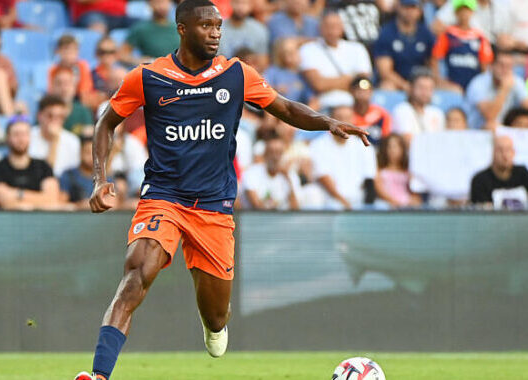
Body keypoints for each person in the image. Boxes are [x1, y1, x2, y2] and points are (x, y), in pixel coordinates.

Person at [75, 2, 369, 379]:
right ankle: (98, 375)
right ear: (182, 29)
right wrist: (100, 178)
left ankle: (213, 325)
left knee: (215, 314)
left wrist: (327, 122)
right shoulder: (148, 77)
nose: (215, 33)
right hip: (163, 197)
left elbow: (284, 108)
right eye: (206, 26)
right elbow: (106, 123)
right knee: (137, 272)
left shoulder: (235, 74)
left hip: (214, 208)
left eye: (218, 25)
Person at [309, 101, 377, 210]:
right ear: (331, 120)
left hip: (358, 200)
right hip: (329, 201)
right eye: (339, 118)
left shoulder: (365, 146)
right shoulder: (318, 145)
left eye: (347, 118)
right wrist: (345, 203)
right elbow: (323, 178)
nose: (344, 122)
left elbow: (369, 179)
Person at [299, 11, 372, 108]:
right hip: (323, 106)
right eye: (328, 26)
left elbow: (362, 82)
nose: (332, 30)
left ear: (343, 28)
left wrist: (329, 83)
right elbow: (318, 84)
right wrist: (348, 79)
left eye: (336, 26)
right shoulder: (308, 49)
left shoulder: (357, 48)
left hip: (354, 106)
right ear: (320, 28)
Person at [0, 118, 62, 210]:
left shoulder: (43, 166)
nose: (21, 139)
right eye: (16, 134)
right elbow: (4, 201)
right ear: (7, 137)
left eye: (24, 134)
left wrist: (18, 195)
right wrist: (39, 199)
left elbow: (52, 200)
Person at [431, 0, 493, 92]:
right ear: (456, 13)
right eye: (461, 10)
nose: (464, 14)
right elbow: (435, 59)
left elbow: (485, 65)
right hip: (453, 84)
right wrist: (440, 81)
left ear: (472, 12)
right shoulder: (448, 34)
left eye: (467, 10)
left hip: (473, 85)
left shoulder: (480, 37)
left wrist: (482, 87)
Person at [373, 0, 435, 92]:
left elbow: (433, 64)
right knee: (387, 87)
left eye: (413, 7)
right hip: (396, 81)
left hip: (420, 80)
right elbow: (385, 71)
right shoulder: (386, 33)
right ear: (398, 7)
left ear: (420, 10)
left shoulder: (426, 33)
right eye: (406, 7)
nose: (409, 12)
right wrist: (406, 86)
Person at [466, 50, 528, 130]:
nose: (505, 70)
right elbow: (490, 116)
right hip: (477, 131)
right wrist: (504, 89)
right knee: (491, 125)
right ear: (491, 66)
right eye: (501, 65)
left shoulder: (516, 81)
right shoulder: (478, 83)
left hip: (504, 130)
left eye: (509, 66)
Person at [241, 135, 299, 210]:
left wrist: (288, 180)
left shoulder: (290, 175)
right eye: (271, 152)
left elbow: (296, 208)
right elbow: (256, 205)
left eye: (279, 153)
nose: (275, 157)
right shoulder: (252, 173)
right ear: (264, 154)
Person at [470, 135, 528, 209]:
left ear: (513, 152)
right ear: (492, 152)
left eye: (508, 150)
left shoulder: (523, 174)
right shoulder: (480, 180)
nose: (504, 155)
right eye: (500, 150)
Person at [29, 95, 80, 177]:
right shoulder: (29, 136)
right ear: (39, 116)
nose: (55, 120)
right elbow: (42, 175)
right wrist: (54, 141)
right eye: (50, 116)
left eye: (60, 117)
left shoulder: (73, 141)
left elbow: (73, 175)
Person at [121, 0, 179, 65]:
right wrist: (138, 61)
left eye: (166, 2)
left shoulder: (179, 27)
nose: (162, 6)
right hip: (154, 70)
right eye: (158, 2)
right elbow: (122, 55)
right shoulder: (141, 28)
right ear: (149, 4)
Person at [392, 71, 445, 140]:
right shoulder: (402, 110)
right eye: (421, 87)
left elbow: (441, 140)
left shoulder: (437, 113)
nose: (425, 92)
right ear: (410, 88)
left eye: (429, 88)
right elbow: (408, 141)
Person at [374, 133, 421, 208]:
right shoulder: (380, 170)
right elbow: (380, 189)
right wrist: (393, 201)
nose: (393, 150)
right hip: (387, 205)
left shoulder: (408, 170)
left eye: (396, 147)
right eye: (390, 147)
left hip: (406, 205)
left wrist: (413, 200)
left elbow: (414, 190)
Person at [264, 37, 315, 105]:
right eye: (286, 52)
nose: (291, 56)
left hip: (295, 112)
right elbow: (263, 89)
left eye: (294, 51)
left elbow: (313, 100)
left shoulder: (304, 74)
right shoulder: (273, 71)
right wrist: (275, 89)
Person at [218, 0, 269, 67]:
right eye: (237, 2)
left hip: (251, 72)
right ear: (231, 3)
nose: (240, 7)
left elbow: (263, 62)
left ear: (251, 6)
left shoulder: (259, 29)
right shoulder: (219, 29)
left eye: (245, 3)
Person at [49, 35, 94, 107]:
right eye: (66, 49)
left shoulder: (82, 66)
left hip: (78, 101)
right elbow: (52, 92)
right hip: (59, 101)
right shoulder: (53, 70)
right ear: (58, 51)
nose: (70, 53)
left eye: (74, 49)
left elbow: (85, 92)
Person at [50, 67, 93, 135]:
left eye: (67, 83)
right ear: (52, 88)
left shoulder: (83, 111)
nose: (63, 88)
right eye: (59, 84)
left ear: (74, 87)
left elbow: (90, 134)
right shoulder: (46, 112)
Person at [350, 76, 392, 146]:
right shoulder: (346, 115)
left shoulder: (381, 114)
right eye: (358, 90)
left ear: (371, 92)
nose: (362, 93)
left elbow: (386, 140)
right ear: (352, 92)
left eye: (366, 90)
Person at [60, 135, 95, 210]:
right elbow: (61, 202)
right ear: (80, 153)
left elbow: (113, 204)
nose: (92, 157)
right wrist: (79, 205)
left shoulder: (106, 178)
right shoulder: (68, 175)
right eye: (88, 152)